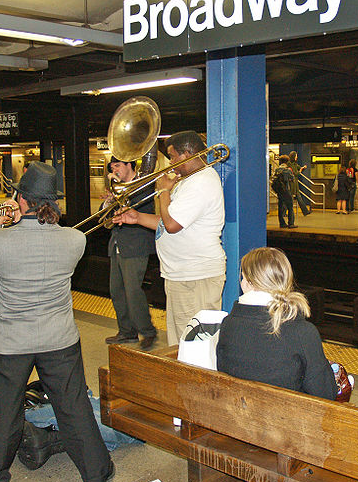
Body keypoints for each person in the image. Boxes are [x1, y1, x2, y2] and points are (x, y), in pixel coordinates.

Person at [0, 161, 113, 482]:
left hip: (9, 344)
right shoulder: (75, 240)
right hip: (60, 340)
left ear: (20, 199)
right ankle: (96, 474)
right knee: (74, 407)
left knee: (4, 413)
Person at [113, 131, 225, 346]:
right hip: (182, 274)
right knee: (179, 343)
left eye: (173, 157)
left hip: (195, 276)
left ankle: (193, 380)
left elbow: (172, 225)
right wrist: (137, 218)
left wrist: (163, 191)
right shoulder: (187, 181)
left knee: (193, 346)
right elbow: (168, 222)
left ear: (186, 154)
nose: (171, 163)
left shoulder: (201, 182)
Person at [216, 247, 337, 400]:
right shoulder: (303, 332)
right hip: (284, 421)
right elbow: (326, 393)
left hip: (234, 416)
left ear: (246, 284)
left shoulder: (228, 324)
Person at [103, 157, 158, 351]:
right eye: (112, 167)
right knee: (116, 290)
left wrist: (118, 200)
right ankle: (127, 332)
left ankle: (148, 331)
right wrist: (109, 201)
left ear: (129, 166)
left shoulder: (142, 187)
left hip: (135, 245)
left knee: (133, 291)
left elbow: (142, 212)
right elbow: (106, 217)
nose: (114, 170)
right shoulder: (116, 187)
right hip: (117, 244)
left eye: (117, 166)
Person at [272, 155, 296, 228]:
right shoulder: (287, 170)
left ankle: (282, 223)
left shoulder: (277, 169)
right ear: (287, 162)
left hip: (279, 190)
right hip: (286, 190)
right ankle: (291, 223)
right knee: (290, 206)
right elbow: (292, 179)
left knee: (280, 206)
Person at [288, 151, 312, 216]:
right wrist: (300, 171)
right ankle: (284, 212)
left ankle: (305, 212)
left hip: (295, 185)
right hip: (291, 185)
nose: (297, 157)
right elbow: (295, 174)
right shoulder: (289, 164)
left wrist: (303, 168)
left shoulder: (295, 164)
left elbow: (299, 168)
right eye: (296, 156)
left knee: (299, 198)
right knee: (289, 199)